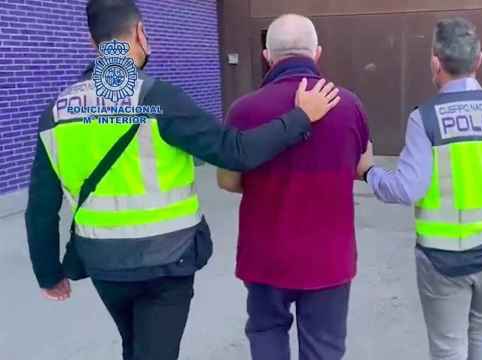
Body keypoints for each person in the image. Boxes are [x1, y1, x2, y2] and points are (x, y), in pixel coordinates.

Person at [24, 1, 341, 359]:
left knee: (135, 347)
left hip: (103, 263)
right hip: (166, 262)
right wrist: (300, 118)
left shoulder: (57, 111)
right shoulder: (158, 99)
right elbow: (235, 151)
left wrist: (48, 273)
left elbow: (40, 207)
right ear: (141, 33)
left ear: (91, 42)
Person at [359, 17, 482, 360]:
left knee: (449, 347)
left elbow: (406, 189)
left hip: (445, 261)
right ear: (479, 60)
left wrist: (369, 172)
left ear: (435, 62)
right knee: (480, 324)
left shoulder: (425, 118)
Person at [217, 14, 371, 360]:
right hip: (329, 257)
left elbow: (227, 180)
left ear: (267, 56)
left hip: (265, 255)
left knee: (267, 334)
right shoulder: (349, 105)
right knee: (324, 347)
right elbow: (361, 166)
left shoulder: (243, 110)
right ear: (317, 53)